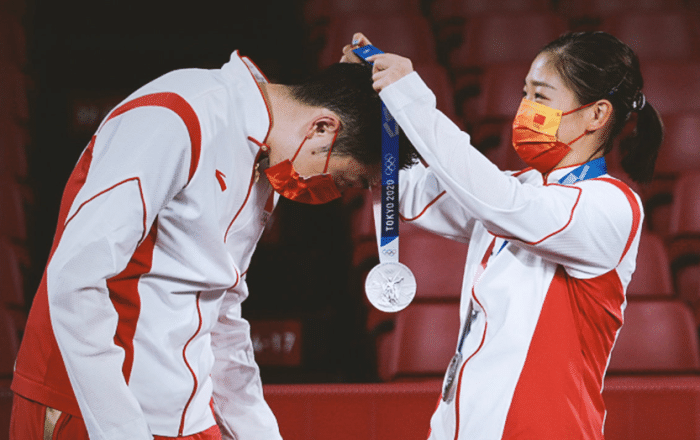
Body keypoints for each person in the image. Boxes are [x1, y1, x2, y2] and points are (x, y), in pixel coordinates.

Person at [10, 50, 417, 440]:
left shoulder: (267, 160)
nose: (331, 193)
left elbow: (221, 311)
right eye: (344, 180)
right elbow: (75, 280)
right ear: (323, 128)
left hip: (185, 415)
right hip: (92, 410)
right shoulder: (177, 115)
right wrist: (122, 432)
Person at [343, 31, 662, 439]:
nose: (525, 108)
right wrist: (366, 98)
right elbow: (408, 190)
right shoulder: (519, 189)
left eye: (541, 96)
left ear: (597, 114)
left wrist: (412, 100)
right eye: (524, 94)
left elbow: (499, 201)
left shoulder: (612, 205)